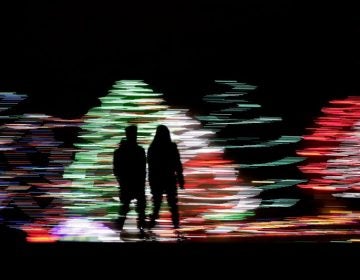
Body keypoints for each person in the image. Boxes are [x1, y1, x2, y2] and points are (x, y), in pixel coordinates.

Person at [147, 125, 184, 231]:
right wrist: (180, 178)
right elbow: (177, 163)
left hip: (157, 179)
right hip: (169, 179)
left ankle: (151, 225)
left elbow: (151, 166)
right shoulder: (172, 146)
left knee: (157, 204)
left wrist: (151, 180)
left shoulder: (153, 147)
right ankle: (176, 226)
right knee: (172, 204)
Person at [113, 125, 146, 236]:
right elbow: (142, 168)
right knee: (139, 208)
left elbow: (116, 169)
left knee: (125, 206)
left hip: (126, 183)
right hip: (136, 183)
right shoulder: (140, 150)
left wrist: (120, 180)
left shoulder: (120, 151)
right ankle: (141, 228)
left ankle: (120, 228)